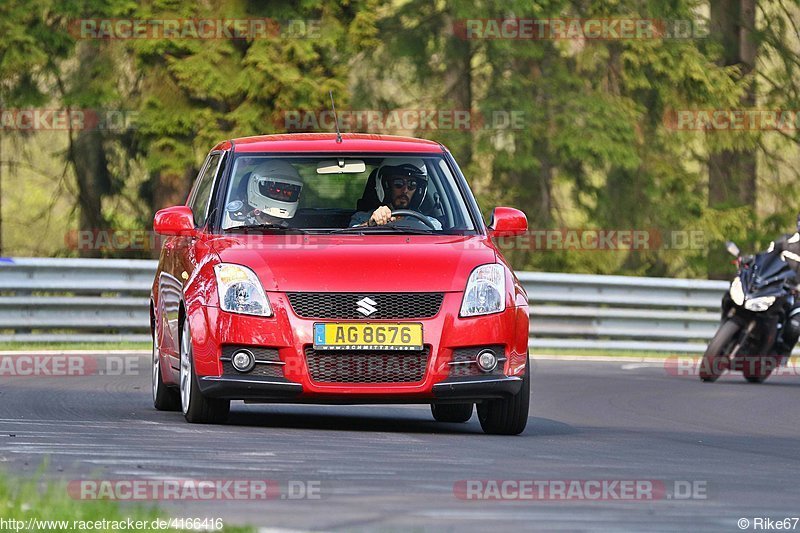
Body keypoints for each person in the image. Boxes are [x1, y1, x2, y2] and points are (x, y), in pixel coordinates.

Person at [349, 158, 442, 229]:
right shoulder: (362, 218)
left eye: (412, 184)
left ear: (418, 191)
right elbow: (349, 243)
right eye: (398, 183)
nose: (405, 190)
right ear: (386, 186)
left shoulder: (431, 223)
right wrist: (370, 224)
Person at [226, 159, 303, 226]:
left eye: (287, 193)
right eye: (274, 190)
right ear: (255, 187)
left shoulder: (298, 231)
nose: (281, 196)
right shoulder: (233, 224)